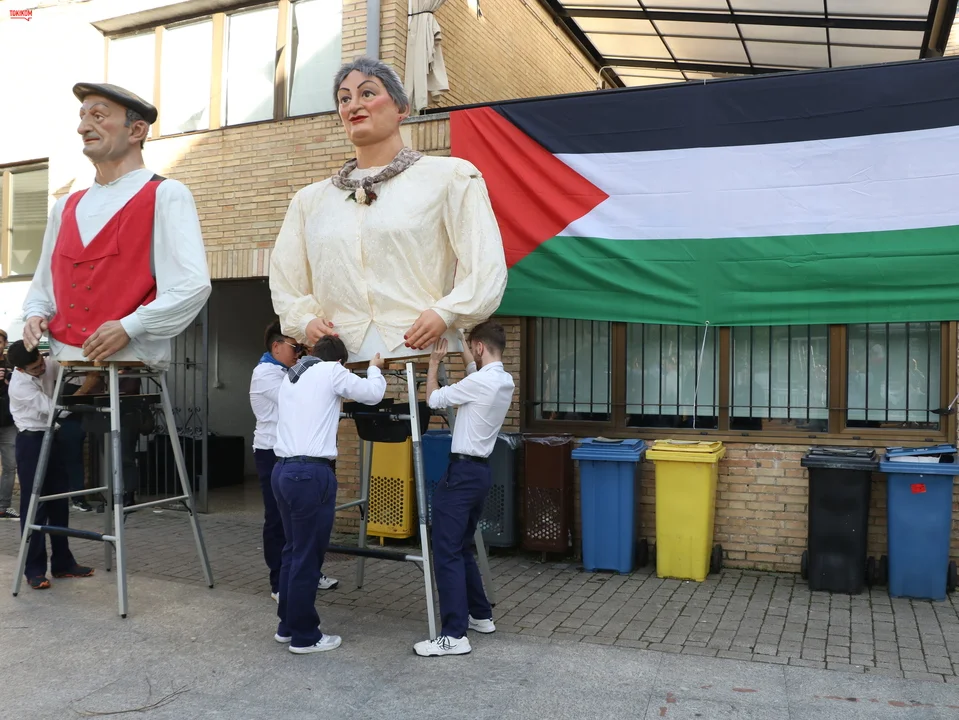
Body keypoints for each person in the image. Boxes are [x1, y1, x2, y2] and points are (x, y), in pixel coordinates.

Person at [269, 56, 507, 365]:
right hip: (338, 357)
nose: (353, 105)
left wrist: (446, 312)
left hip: (420, 349)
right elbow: (285, 279)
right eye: (344, 99)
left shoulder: (450, 177)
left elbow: (486, 261)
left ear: (401, 108)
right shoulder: (309, 201)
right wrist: (304, 321)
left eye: (367, 93)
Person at [20, 82, 211, 369]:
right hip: (66, 358)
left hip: (132, 358)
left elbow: (191, 285)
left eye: (98, 116)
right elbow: (43, 286)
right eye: (82, 116)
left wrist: (130, 326)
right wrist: (35, 314)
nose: (82, 128)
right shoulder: (65, 207)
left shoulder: (166, 194)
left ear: (137, 130)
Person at [272, 337, 386, 654]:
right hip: (311, 474)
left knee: (293, 550)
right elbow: (373, 395)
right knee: (307, 556)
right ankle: (305, 636)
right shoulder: (332, 371)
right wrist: (375, 368)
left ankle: (287, 625)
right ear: (339, 361)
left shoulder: (292, 375)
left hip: (282, 471)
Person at [414, 321, 515, 657]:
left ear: (480, 347)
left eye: (473, 348)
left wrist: (433, 363)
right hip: (480, 473)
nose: (472, 353)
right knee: (461, 546)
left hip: (461, 475)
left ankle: (454, 635)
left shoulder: (480, 382)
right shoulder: (503, 380)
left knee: (446, 551)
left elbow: (433, 399)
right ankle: (480, 615)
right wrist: (461, 339)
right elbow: (475, 369)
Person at [250, 320, 338, 603]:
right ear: (276, 347)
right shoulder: (266, 374)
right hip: (271, 452)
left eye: (303, 348)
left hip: (294, 453)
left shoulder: (287, 371)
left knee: (308, 521)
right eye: (296, 347)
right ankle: (279, 581)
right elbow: (301, 397)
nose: (299, 353)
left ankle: (308, 572)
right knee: (278, 519)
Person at [7, 341, 98, 589]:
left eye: (40, 364)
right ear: (21, 369)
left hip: (52, 436)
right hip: (31, 440)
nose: (40, 369)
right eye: (34, 369)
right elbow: (56, 411)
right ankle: (34, 570)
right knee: (34, 505)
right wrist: (86, 388)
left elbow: (72, 366)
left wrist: (93, 367)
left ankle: (63, 563)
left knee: (59, 501)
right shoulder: (19, 385)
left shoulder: (47, 364)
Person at [0, 329, 18, 519]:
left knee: (10, 466)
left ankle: (3, 507)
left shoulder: (12, 363)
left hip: (8, 421)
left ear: (5, 343)